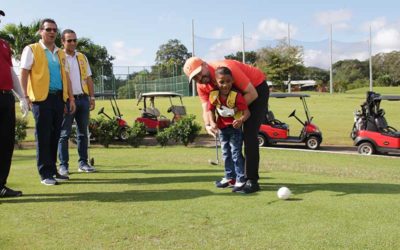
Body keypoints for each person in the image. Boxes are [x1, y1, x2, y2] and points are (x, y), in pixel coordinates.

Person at [184, 57, 269, 193]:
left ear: (205, 64)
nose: (200, 78)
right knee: (231, 139)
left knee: (249, 135)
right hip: (234, 97)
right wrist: (208, 124)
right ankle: (233, 177)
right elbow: (206, 108)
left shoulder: (227, 68)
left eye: (200, 72)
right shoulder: (201, 85)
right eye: (195, 77)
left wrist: (233, 110)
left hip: (256, 89)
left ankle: (251, 180)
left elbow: (252, 94)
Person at [20, 18, 76, 186]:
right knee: (44, 136)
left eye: (54, 30)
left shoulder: (60, 53)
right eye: (48, 29)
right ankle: (45, 173)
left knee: (55, 136)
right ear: (40, 31)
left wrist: (70, 98)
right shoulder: (32, 49)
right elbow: (23, 73)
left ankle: (53, 171)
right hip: (41, 99)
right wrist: (25, 96)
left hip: (58, 98)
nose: (52, 32)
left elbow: (66, 76)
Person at [58, 29, 96, 176]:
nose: (73, 43)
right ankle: (63, 166)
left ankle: (83, 163)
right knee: (64, 134)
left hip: (83, 99)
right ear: (63, 42)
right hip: (67, 100)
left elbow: (88, 78)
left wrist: (92, 97)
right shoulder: (59, 56)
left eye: (74, 40)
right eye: (69, 40)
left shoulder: (82, 57)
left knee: (83, 133)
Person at [0, 9, 29, 197]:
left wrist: (22, 96)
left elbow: (11, 72)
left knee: (5, 142)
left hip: (5, 97)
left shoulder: (4, 44)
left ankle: (0, 185)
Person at [208, 67, 250, 191]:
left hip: (234, 129)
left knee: (235, 153)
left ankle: (240, 179)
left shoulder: (236, 96)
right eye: (221, 82)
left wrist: (241, 120)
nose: (225, 85)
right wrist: (212, 122)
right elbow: (210, 110)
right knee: (226, 154)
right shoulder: (213, 95)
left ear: (232, 81)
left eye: (228, 81)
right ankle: (229, 177)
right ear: (216, 82)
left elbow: (247, 113)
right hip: (222, 129)